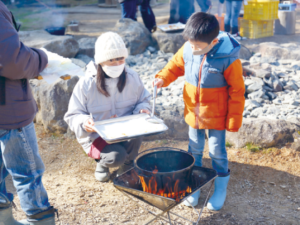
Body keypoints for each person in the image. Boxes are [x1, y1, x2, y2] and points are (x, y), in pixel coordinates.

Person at [154, 12, 245, 210]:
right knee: (194, 148)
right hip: (193, 112)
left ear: (213, 42)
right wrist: (162, 78)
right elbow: (175, 66)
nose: (193, 48)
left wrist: (233, 120)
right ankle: (193, 184)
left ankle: (220, 188)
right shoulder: (189, 48)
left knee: (216, 152)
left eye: (198, 46)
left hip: (217, 116)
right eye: (191, 44)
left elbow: (237, 91)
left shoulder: (228, 58)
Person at [64, 32, 151, 182]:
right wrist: (85, 123)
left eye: (120, 59)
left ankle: (127, 165)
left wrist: (142, 109)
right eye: (111, 60)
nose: (117, 64)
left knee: (138, 133)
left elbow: (143, 99)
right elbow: (73, 115)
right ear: (101, 61)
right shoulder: (86, 83)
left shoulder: (132, 77)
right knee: (115, 156)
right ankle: (102, 163)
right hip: (98, 136)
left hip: (125, 132)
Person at [0, 2, 57, 225]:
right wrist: (41, 57)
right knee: (26, 173)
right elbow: (14, 61)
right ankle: (40, 220)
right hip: (9, 110)